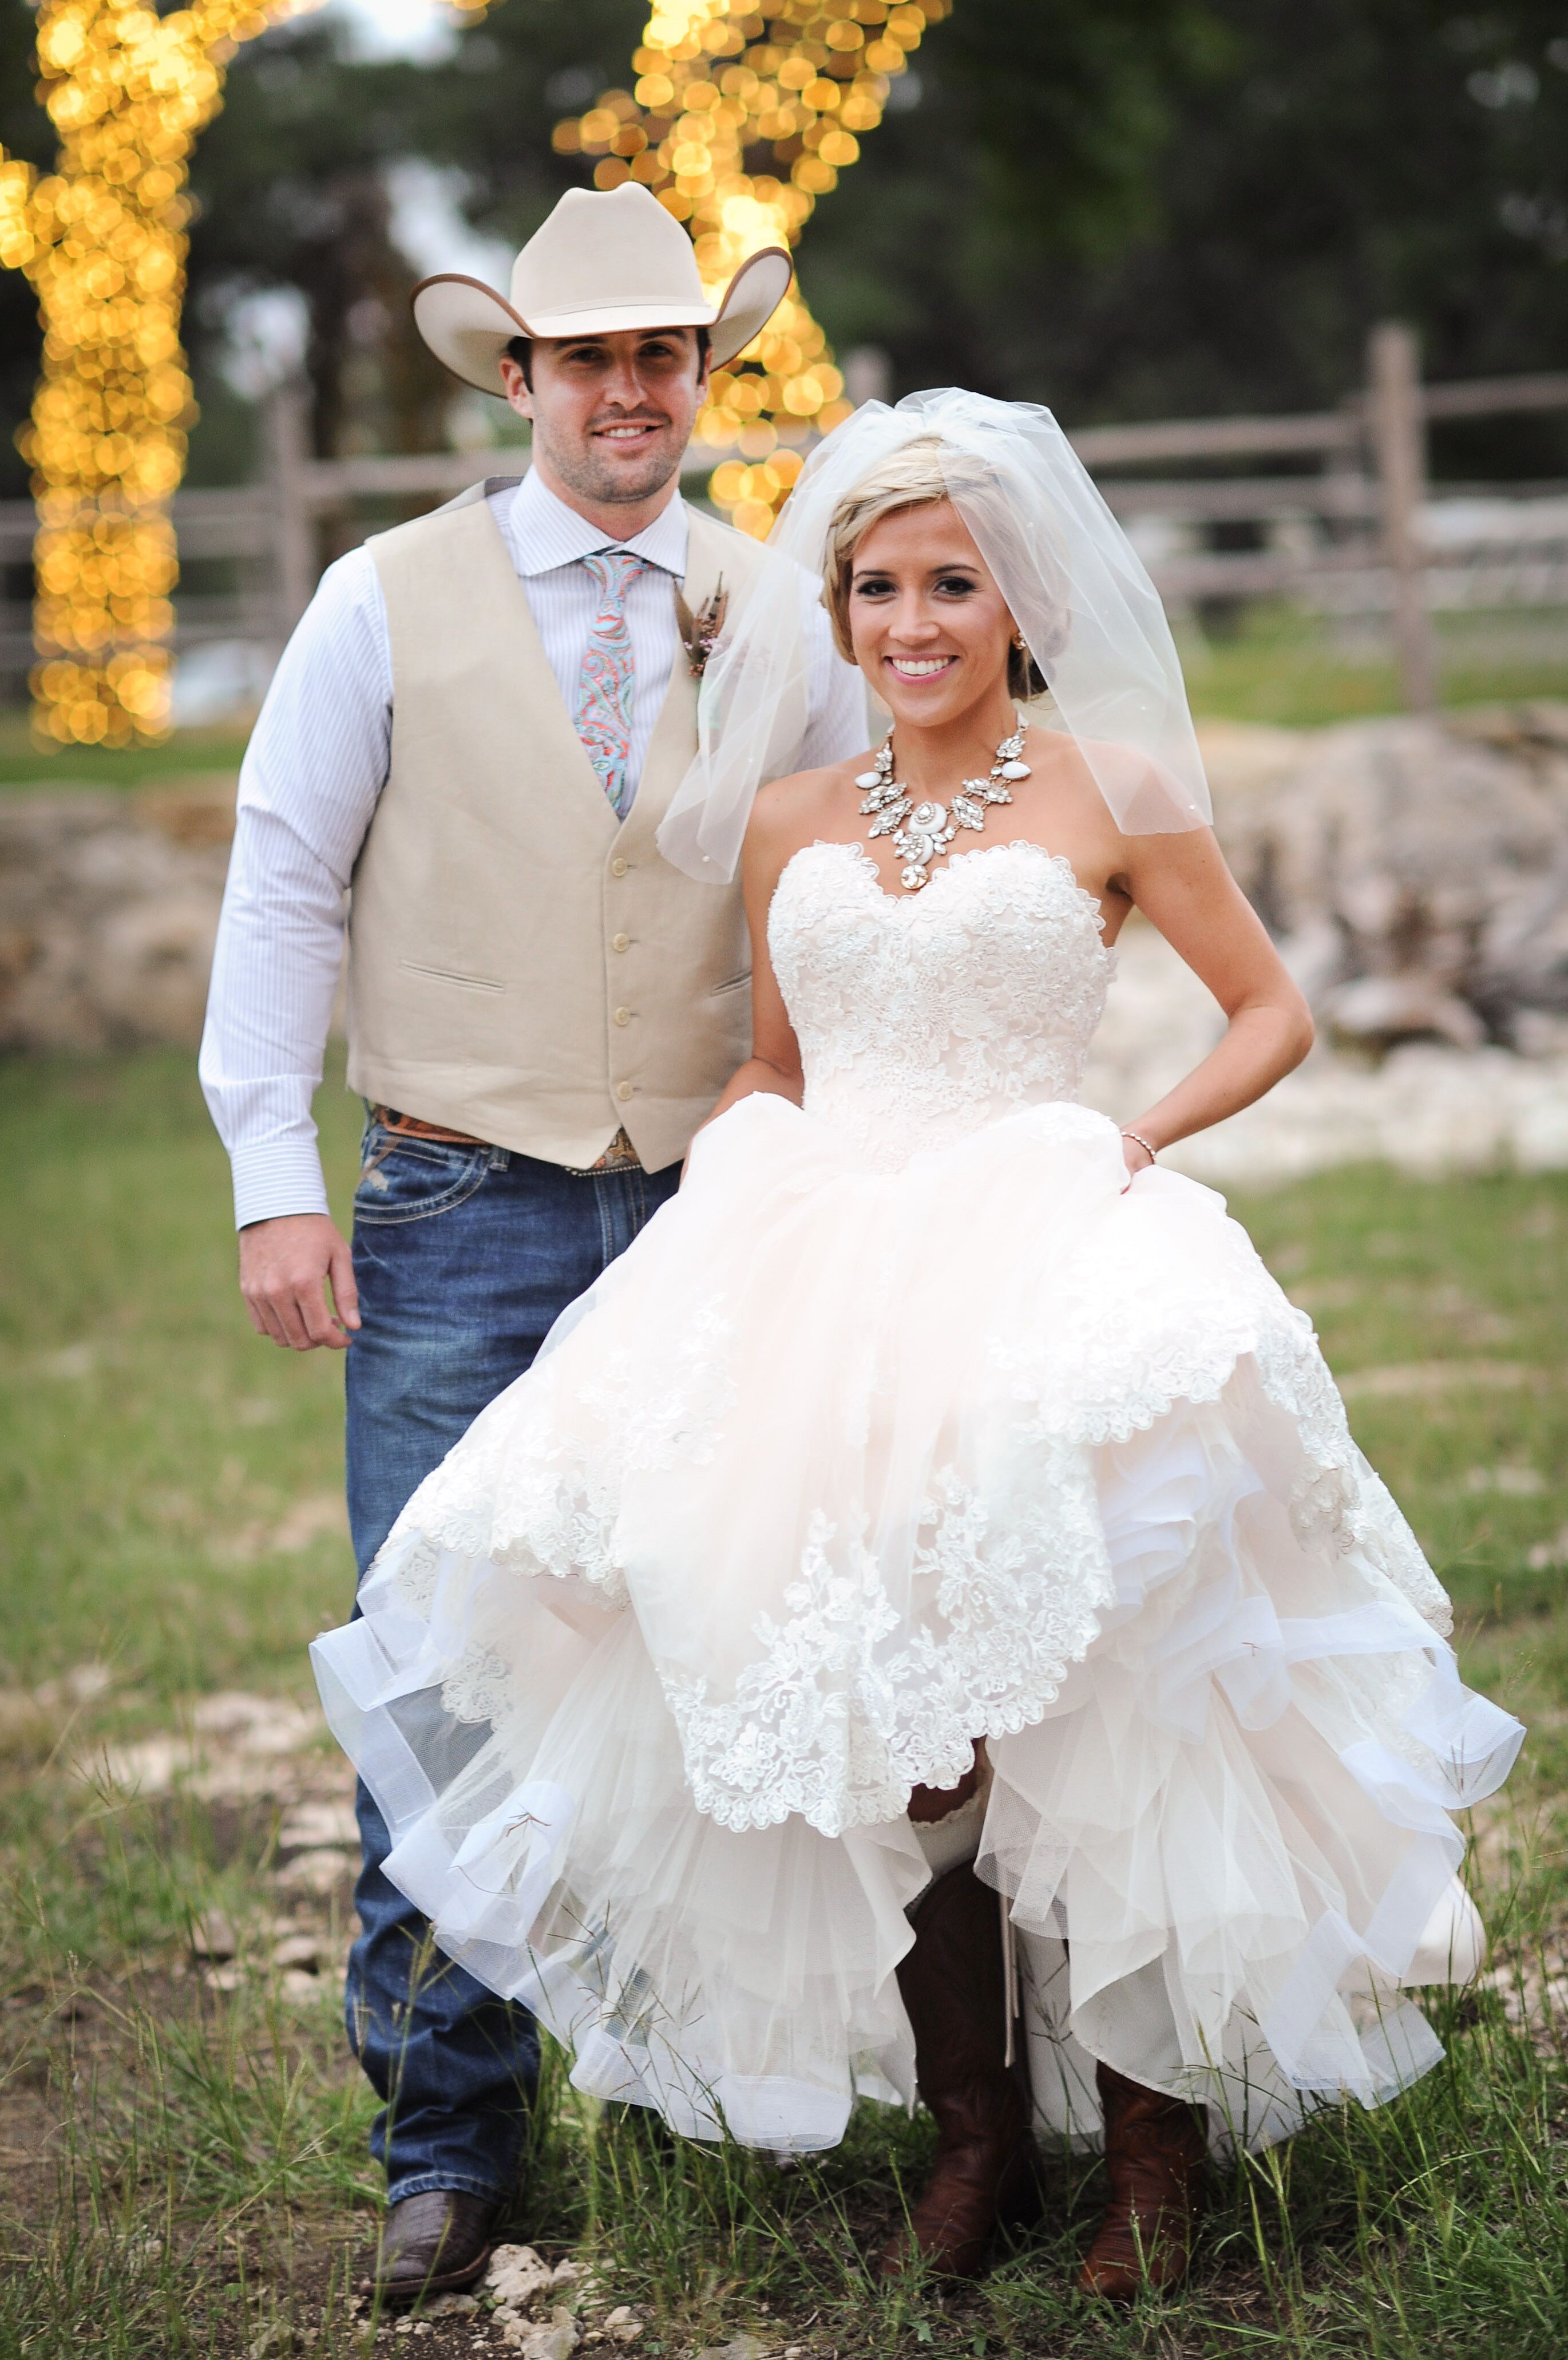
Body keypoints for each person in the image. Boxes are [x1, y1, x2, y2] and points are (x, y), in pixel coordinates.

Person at [309, 390, 1522, 2302]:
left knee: (1095, 1684)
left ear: (1014, 600)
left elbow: (1267, 1009)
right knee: (900, 1713)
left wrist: (1128, 1138)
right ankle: (972, 2137)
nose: (908, 621)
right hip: (826, 1270)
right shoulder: (783, 819)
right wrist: (734, 1175)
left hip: (1038, 1243)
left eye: (948, 581)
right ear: (839, 613)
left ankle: (1146, 2155)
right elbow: (777, 1059)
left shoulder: (1111, 792)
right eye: (873, 586)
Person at [200, 183, 868, 2303]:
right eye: (587, 359)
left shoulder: (780, 608)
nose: (629, 393)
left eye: (662, 356)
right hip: (452, 1192)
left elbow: (844, 894)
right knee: (443, 1668)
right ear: (518, 379)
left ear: (700, 375)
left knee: (729, 1653)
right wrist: (268, 1168)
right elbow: (285, 880)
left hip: (710, 1199)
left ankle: (720, 2082)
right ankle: (446, 2141)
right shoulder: (378, 599)